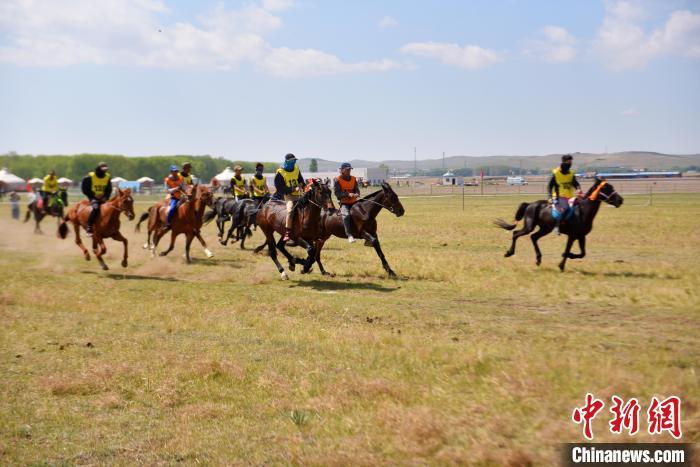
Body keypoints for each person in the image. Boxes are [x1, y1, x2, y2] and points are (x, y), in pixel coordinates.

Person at [548, 154, 582, 235]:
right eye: (568, 162)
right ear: (563, 162)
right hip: (558, 196)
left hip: (569, 196)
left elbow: (576, 183)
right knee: (565, 208)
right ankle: (557, 227)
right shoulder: (556, 173)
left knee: (581, 207)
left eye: (571, 162)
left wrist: (578, 189)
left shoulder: (571, 173)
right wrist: (550, 198)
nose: (570, 163)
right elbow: (550, 186)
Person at [274, 153, 305, 241]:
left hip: (300, 194)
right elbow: (280, 188)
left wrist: (301, 185)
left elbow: (301, 180)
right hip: (289, 196)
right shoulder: (280, 172)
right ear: (286, 161)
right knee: (290, 211)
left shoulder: (296, 168)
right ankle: (288, 232)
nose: (294, 162)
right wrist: (293, 189)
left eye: (294, 160)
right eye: (292, 161)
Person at [81, 162, 112, 236]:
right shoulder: (90, 177)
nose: (105, 171)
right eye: (103, 169)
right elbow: (84, 189)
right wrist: (94, 195)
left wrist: (105, 197)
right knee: (96, 208)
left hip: (104, 198)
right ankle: (89, 227)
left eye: (105, 169)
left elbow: (109, 189)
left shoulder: (107, 177)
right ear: (98, 169)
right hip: (92, 197)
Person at [334, 162, 360, 243]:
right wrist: (348, 194)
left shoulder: (354, 179)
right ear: (342, 170)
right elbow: (337, 193)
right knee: (346, 216)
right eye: (347, 169)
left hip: (354, 202)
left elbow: (357, 191)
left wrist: (356, 194)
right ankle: (349, 235)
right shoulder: (337, 179)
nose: (349, 171)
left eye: (350, 169)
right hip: (344, 203)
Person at [163, 165, 186, 230]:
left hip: (183, 196)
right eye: (174, 171)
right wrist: (176, 189)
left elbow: (184, 187)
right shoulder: (167, 180)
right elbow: (167, 190)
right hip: (173, 197)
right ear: (171, 172)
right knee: (172, 209)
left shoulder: (181, 178)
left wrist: (183, 188)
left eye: (176, 171)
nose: (176, 172)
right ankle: (168, 223)